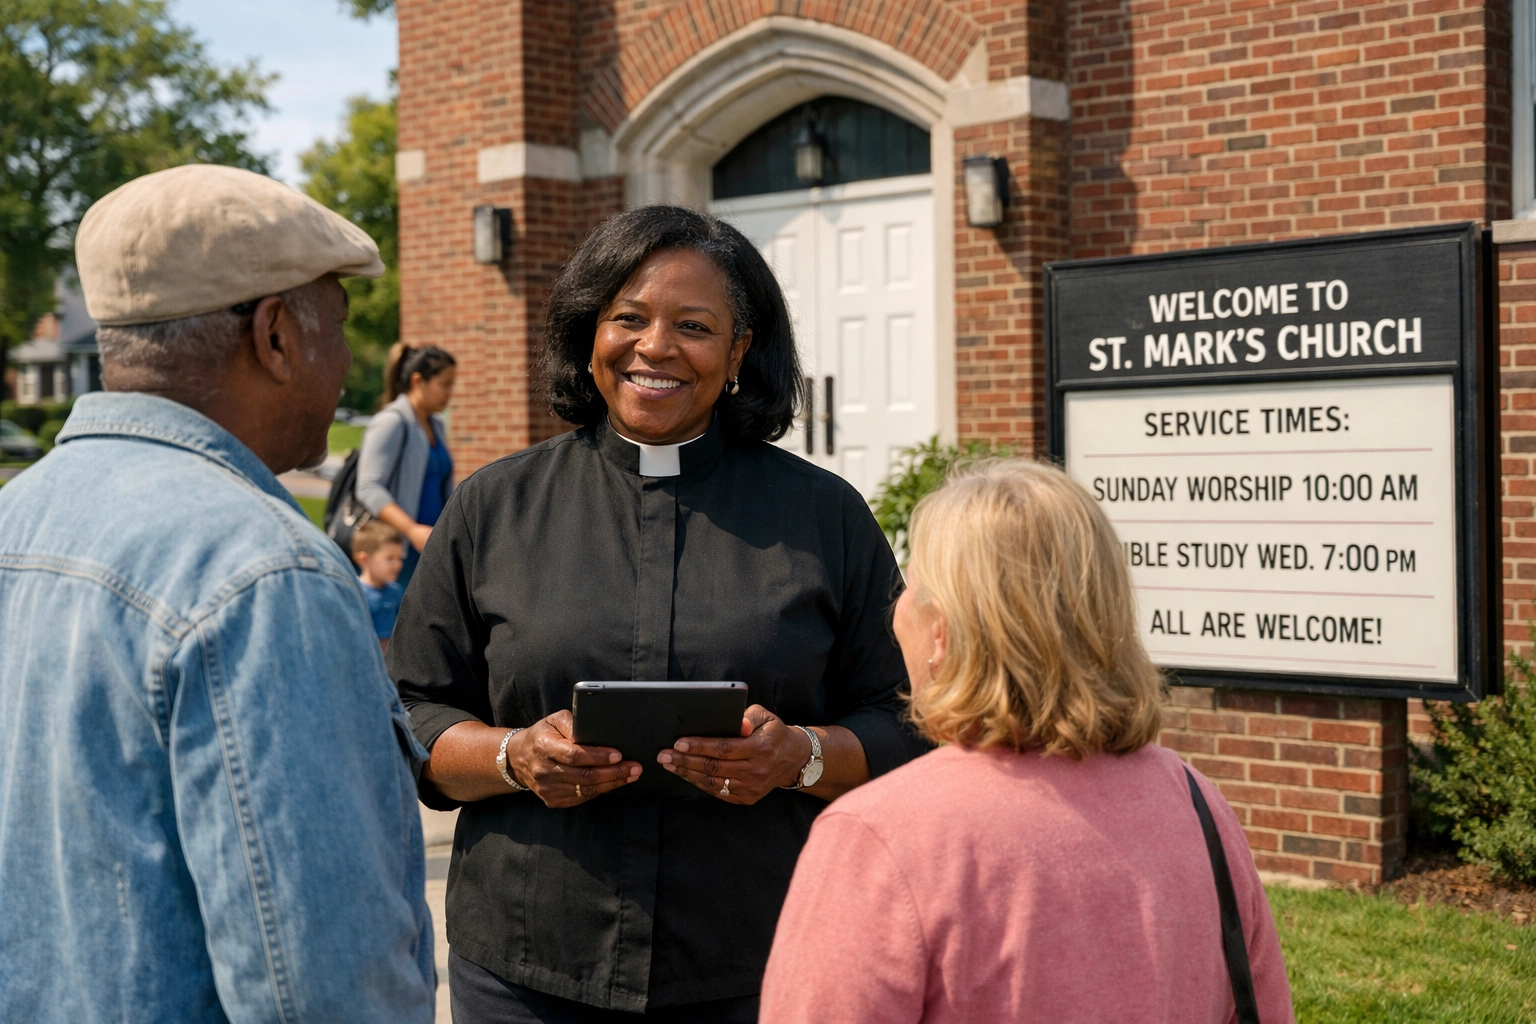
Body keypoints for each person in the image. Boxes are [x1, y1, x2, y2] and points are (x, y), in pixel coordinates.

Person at [389, 205, 929, 1022]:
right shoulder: (493, 508)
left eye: (694, 325)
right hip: (529, 968)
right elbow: (408, 713)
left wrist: (802, 756)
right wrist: (514, 755)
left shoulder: (825, 517)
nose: (656, 347)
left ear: (740, 350)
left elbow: (910, 718)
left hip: (759, 958)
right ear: (589, 333)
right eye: (628, 318)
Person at [0, 164, 436, 1023]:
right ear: (275, 334)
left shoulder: (16, 515)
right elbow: (317, 986)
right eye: (338, 327)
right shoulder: (267, 574)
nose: (348, 364)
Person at [759, 459, 1295, 1024]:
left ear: (940, 631)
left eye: (908, 589)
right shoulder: (1198, 805)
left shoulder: (879, 837)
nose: (895, 615)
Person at [356, 341, 456, 587]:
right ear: (417, 381)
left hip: (430, 549)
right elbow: (369, 487)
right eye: (444, 385)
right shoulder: (391, 422)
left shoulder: (437, 426)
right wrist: (412, 530)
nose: (449, 393)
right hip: (396, 554)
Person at [355, 519, 407, 651]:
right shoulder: (356, 592)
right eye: (390, 558)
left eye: (399, 558)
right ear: (365, 559)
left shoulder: (396, 591)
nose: (398, 564)